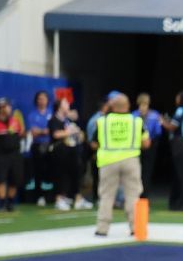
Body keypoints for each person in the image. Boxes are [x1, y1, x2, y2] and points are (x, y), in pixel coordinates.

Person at [91, 93, 148, 237]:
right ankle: (135, 227)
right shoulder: (136, 121)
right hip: (131, 160)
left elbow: (93, 143)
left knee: (106, 195)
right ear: (128, 106)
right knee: (133, 195)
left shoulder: (102, 121)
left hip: (108, 161)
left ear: (112, 106)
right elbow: (146, 143)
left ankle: (102, 228)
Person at [48, 96, 90, 211]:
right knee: (60, 176)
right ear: (59, 107)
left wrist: (79, 133)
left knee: (75, 174)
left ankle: (77, 198)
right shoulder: (53, 120)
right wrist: (69, 131)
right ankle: (59, 199)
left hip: (72, 151)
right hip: (59, 152)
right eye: (65, 103)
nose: (68, 105)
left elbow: (79, 133)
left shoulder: (68, 120)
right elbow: (56, 134)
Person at [163, 90, 183, 211]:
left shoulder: (181, 109)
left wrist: (163, 122)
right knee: (181, 173)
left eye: (177, 97)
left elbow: (173, 126)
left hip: (180, 143)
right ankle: (176, 201)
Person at [134, 93, 163, 199]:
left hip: (150, 145)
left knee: (147, 171)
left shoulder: (154, 115)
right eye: (141, 104)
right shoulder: (133, 115)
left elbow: (158, 132)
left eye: (145, 104)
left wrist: (149, 139)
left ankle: (144, 197)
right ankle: (135, 196)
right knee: (136, 172)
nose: (143, 107)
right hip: (136, 146)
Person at [27, 91, 53, 206]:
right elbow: (33, 132)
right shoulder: (32, 115)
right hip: (38, 146)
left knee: (50, 170)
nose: (41, 101)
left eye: (43, 98)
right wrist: (44, 131)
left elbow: (55, 129)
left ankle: (51, 195)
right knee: (38, 171)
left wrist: (44, 131)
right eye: (39, 98)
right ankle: (39, 196)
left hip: (51, 146)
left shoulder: (51, 113)